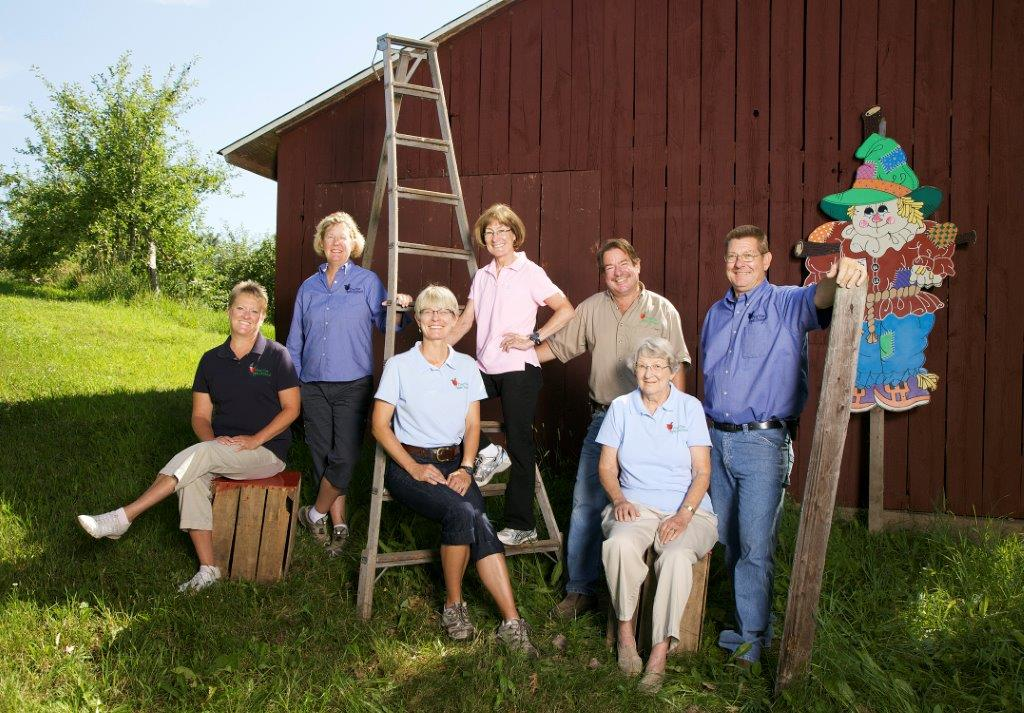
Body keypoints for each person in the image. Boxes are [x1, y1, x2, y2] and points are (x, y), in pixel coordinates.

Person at [700, 224, 866, 664]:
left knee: (756, 545)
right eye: (732, 256)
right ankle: (746, 622)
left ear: (767, 259)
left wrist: (839, 273)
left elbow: (822, 297)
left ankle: (752, 640)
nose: (739, 264)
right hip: (715, 440)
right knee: (729, 541)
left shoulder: (788, 303)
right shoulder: (715, 314)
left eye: (749, 256)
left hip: (763, 443)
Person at [77, 281, 300, 592]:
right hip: (221, 448)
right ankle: (209, 569)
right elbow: (199, 416)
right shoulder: (211, 360)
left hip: (266, 452)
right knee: (192, 479)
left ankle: (124, 516)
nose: (246, 316)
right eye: (240, 309)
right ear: (229, 312)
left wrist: (255, 440)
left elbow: (291, 409)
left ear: (262, 318)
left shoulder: (277, 356)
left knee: (202, 455)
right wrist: (211, 440)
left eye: (255, 311)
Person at [371, 284, 539, 655]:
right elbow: (379, 426)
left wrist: (466, 466)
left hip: (453, 463)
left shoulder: (465, 366)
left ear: (454, 320)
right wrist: (414, 468)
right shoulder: (398, 365)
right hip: (409, 465)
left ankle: (511, 621)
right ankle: (454, 604)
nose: (436, 318)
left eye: (445, 312)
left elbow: (473, 426)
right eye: (429, 312)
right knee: (464, 511)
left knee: (476, 518)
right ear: (417, 320)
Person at [536, 238, 691, 619]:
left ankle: (636, 588)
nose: (617, 272)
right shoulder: (591, 309)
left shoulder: (661, 310)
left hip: (651, 419)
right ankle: (580, 589)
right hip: (604, 418)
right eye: (609, 267)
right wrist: (508, 356)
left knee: (644, 498)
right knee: (588, 500)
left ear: (638, 265)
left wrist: (676, 423)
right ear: (603, 274)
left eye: (624, 264)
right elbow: (556, 349)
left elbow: (678, 367)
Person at [447, 204, 575, 546]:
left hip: (520, 369)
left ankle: (522, 524)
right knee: (446, 402)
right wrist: (430, 352)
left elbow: (566, 309)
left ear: (514, 236)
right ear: (483, 239)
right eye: (489, 232)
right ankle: (489, 452)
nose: (496, 237)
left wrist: (534, 338)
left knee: (520, 445)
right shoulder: (482, 275)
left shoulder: (529, 271)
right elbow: (465, 322)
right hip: (485, 366)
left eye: (502, 231)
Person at [286, 211, 411, 556]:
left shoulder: (368, 282)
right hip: (311, 383)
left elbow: (389, 326)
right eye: (330, 238)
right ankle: (337, 523)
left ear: (354, 243)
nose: (336, 243)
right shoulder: (307, 288)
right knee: (322, 455)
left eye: (343, 238)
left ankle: (313, 513)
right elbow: (294, 340)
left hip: (353, 383)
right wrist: (294, 384)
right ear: (322, 244)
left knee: (345, 456)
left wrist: (398, 308)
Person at [598, 337, 717, 695]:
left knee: (678, 555)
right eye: (642, 366)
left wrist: (683, 516)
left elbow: (702, 473)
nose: (649, 374)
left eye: (657, 367)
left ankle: (660, 653)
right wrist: (618, 498)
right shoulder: (620, 407)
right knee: (618, 543)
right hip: (635, 504)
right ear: (634, 370)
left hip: (689, 509)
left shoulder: (689, 408)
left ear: (671, 371)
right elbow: (606, 466)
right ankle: (626, 635)